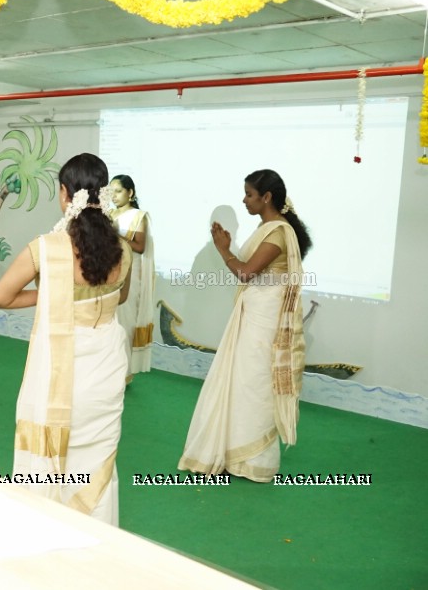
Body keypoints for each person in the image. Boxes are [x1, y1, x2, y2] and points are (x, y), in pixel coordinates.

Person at [0, 153, 132, 526]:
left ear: (66, 193)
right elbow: (122, 296)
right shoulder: (124, 249)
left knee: (49, 453)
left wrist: (51, 293)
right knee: (97, 458)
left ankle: (44, 533)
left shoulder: (47, 247)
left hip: (61, 373)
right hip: (106, 367)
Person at [178, 169, 311, 482]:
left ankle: (255, 460)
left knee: (254, 384)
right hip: (254, 314)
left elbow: (247, 273)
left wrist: (224, 250)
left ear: (266, 197)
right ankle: (235, 454)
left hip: (264, 321)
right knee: (242, 382)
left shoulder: (278, 232)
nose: (244, 200)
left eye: (249, 194)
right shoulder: (267, 228)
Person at [108, 174, 155, 383]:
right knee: (109, 322)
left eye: (118, 191)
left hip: (129, 274)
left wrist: (116, 235)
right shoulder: (108, 214)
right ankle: (107, 370)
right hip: (108, 272)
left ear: (131, 193)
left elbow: (140, 247)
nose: (114, 196)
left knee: (124, 323)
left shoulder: (138, 216)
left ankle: (123, 374)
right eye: (111, 192)